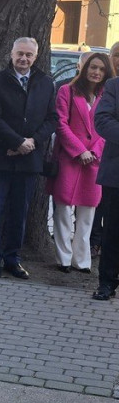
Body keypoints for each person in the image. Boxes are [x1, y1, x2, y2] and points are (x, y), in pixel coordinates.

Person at [0, 37, 57, 279]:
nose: (23, 59)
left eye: (28, 55)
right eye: (20, 54)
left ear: (36, 57)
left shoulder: (46, 82)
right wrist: (16, 142)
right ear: (11, 54)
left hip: (29, 159)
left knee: (19, 212)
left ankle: (12, 258)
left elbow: (52, 119)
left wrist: (31, 143)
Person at [48, 52, 113, 273]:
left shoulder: (109, 95)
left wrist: (93, 151)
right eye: (93, 67)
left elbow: (109, 128)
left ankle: (82, 260)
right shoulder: (67, 91)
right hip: (69, 158)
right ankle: (63, 258)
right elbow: (61, 124)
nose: (96, 72)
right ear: (84, 68)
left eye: (101, 69)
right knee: (63, 209)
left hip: (95, 161)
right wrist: (79, 150)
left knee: (88, 212)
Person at [94, 67, 119, 301]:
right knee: (112, 231)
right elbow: (102, 119)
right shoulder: (114, 86)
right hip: (116, 175)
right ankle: (107, 283)